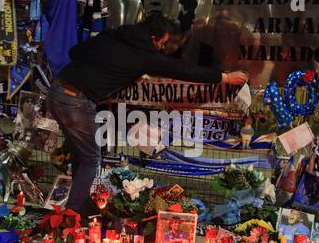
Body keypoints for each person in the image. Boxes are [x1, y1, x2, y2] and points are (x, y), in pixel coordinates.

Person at [46, 13, 249, 221]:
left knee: (82, 155)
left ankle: (79, 208)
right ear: (154, 39)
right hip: (76, 101)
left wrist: (106, 68)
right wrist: (224, 77)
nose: (162, 48)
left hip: (56, 92)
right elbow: (181, 71)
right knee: (91, 158)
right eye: (163, 43)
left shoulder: (113, 36)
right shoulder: (144, 54)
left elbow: (75, 51)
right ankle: (71, 216)